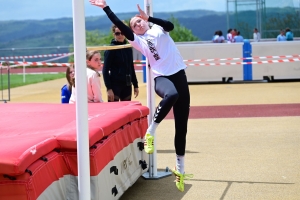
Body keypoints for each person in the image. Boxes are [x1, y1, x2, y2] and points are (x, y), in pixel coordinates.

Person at [90, 0, 192, 192]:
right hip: (162, 77)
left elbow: (170, 25)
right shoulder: (138, 40)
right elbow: (120, 25)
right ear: (133, 31)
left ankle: (180, 169)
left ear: (146, 21)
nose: (137, 24)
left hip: (179, 75)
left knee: (182, 127)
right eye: (134, 24)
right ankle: (150, 132)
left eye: (139, 21)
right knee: (171, 95)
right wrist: (106, 8)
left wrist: (149, 17)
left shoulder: (159, 29)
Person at [103, 23, 139, 102]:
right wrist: (108, 88)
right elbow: (105, 70)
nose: (120, 35)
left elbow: (131, 67)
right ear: (114, 34)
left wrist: (135, 85)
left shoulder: (128, 48)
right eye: (117, 33)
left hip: (127, 85)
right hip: (115, 85)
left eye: (122, 33)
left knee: (126, 110)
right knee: (113, 111)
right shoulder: (110, 49)